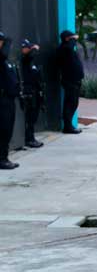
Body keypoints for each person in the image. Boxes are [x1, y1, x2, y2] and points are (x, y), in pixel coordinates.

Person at [55, 30, 83, 134]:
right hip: (69, 80)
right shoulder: (64, 48)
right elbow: (69, 47)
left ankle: (69, 125)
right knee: (70, 103)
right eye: (72, 38)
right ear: (67, 39)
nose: (75, 39)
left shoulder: (68, 48)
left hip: (75, 80)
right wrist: (73, 39)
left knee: (73, 103)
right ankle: (67, 126)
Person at [18, 40, 43, 149]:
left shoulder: (31, 62)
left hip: (35, 91)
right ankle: (29, 139)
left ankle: (31, 137)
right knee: (30, 117)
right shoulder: (25, 59)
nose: (29, 49)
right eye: (27, 48)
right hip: (29, 92)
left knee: (34, 116)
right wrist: (34, 48)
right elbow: (29, 55)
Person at [0, 31, 18, 169]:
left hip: (8, 99)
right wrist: (7, 41)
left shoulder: (4, 61)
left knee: (7, 129)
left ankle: (4, 157)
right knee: (3, 130)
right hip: (2, 100)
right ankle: (2, 159)